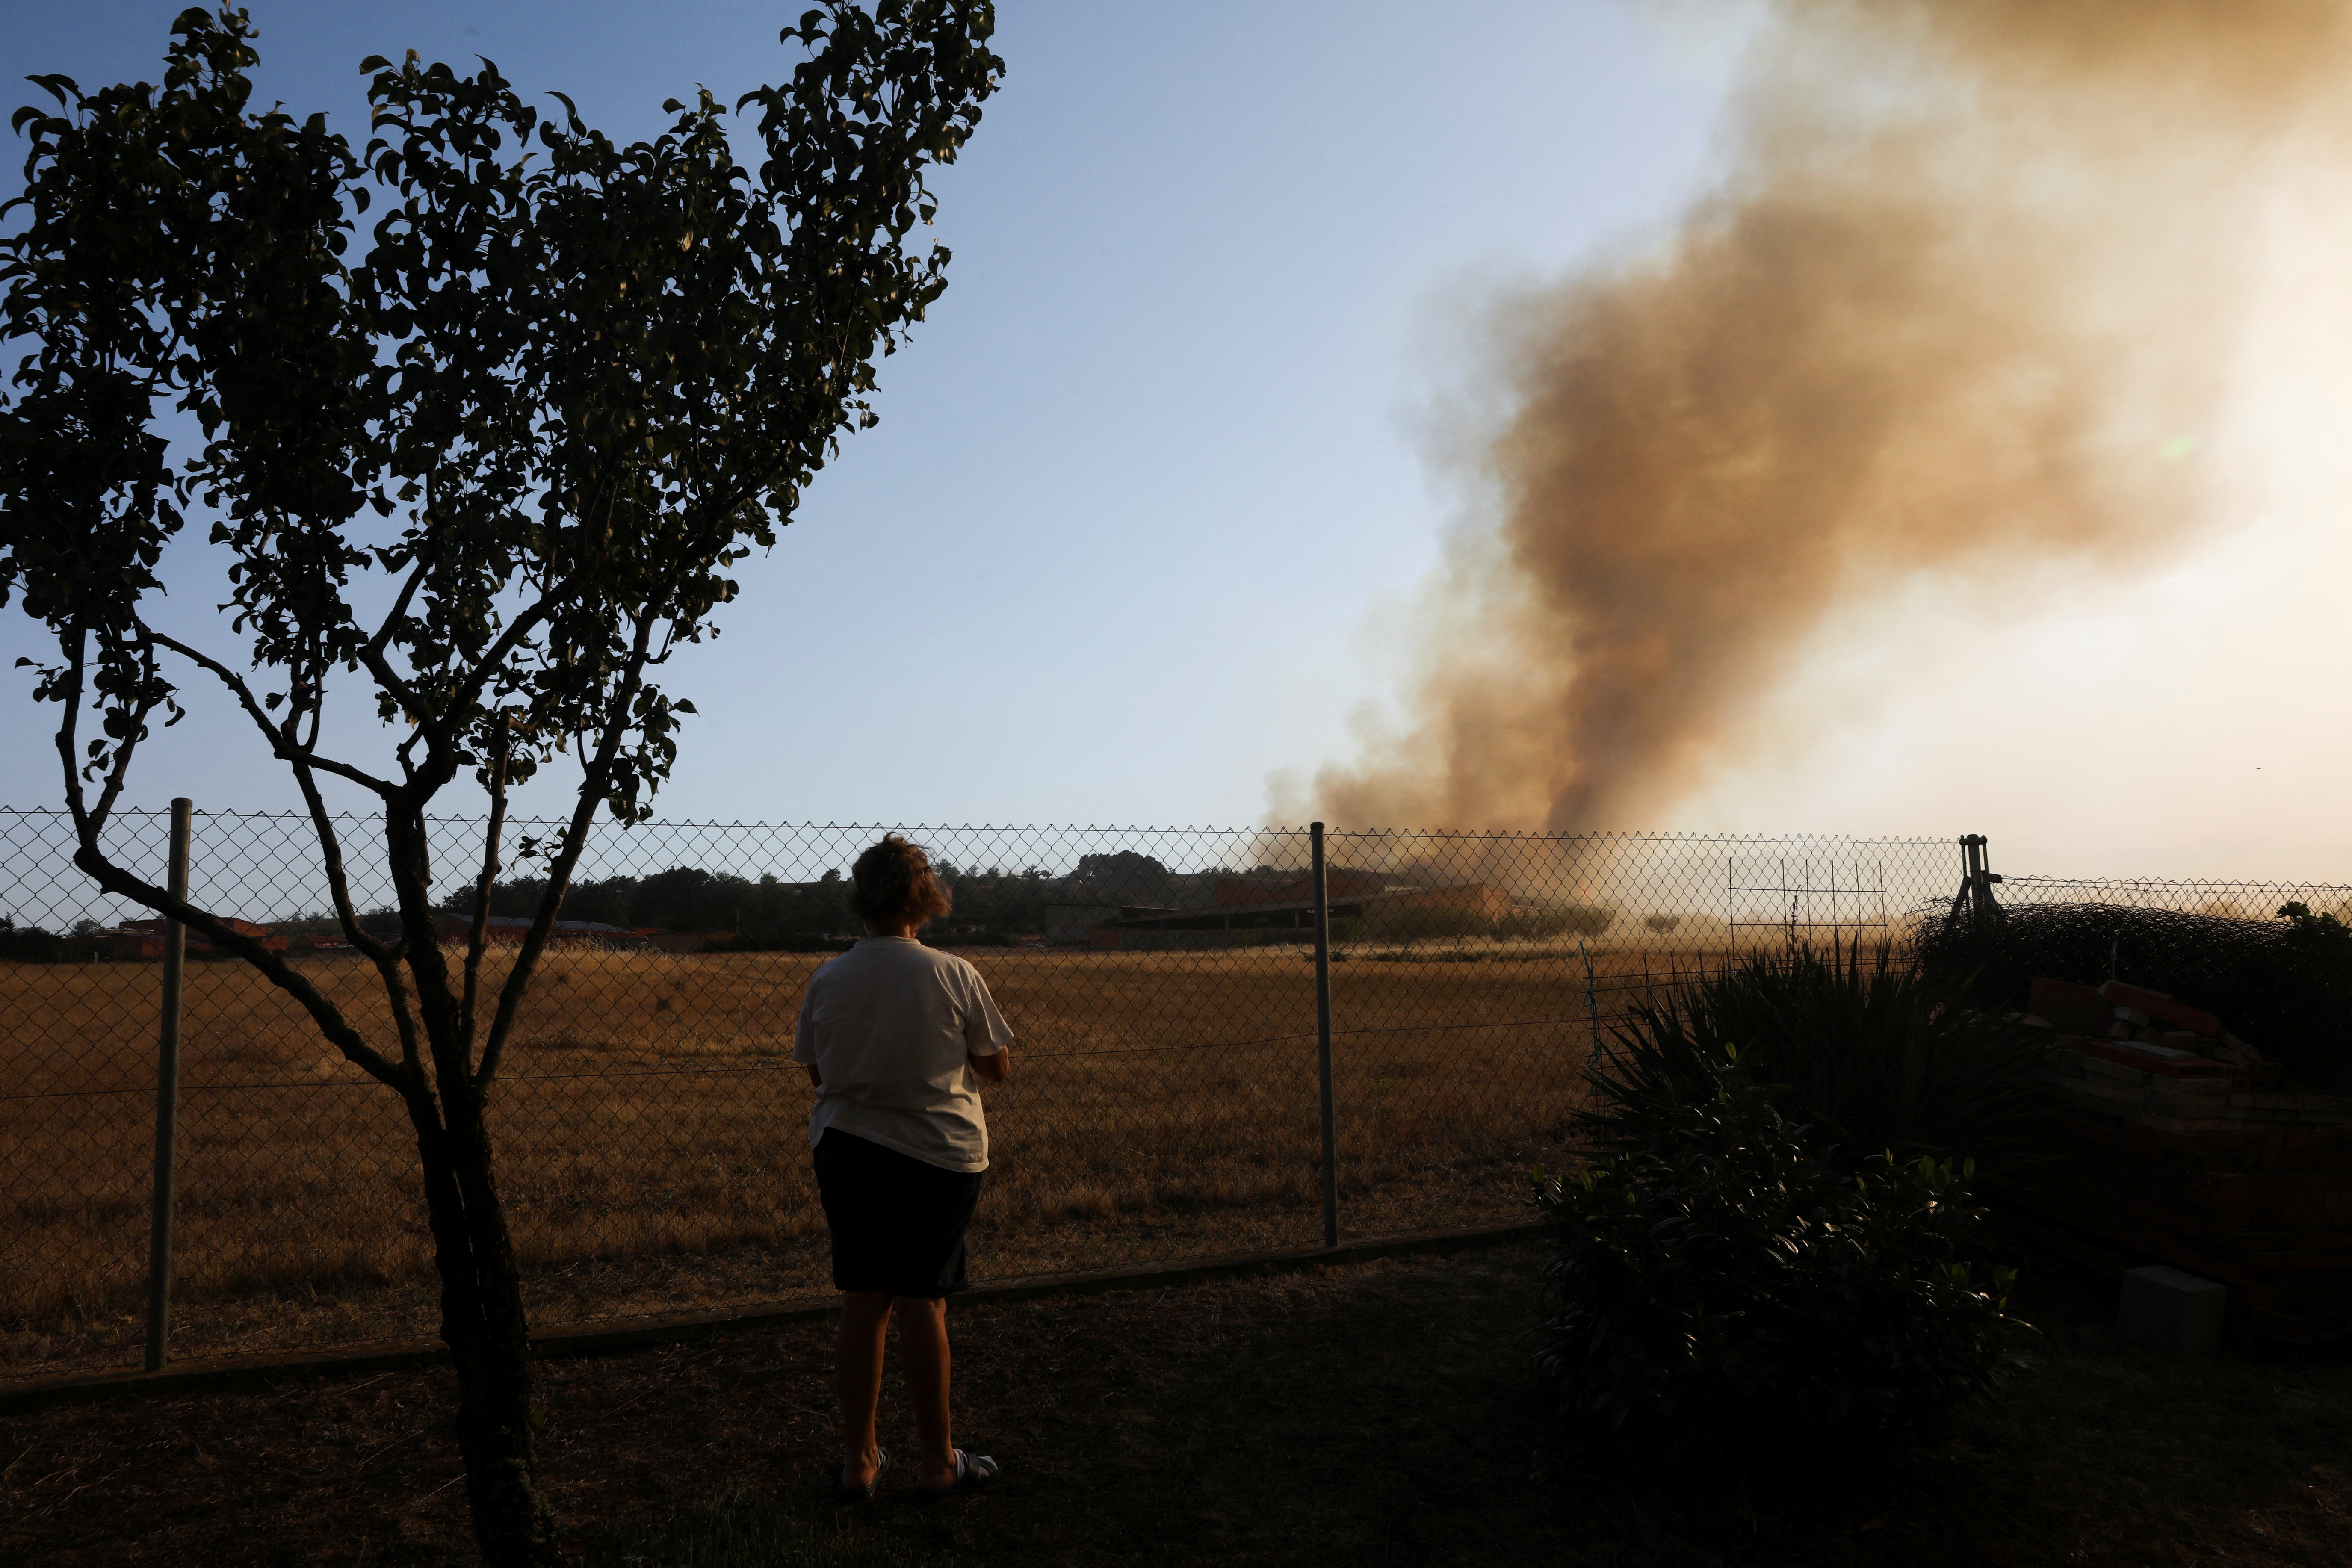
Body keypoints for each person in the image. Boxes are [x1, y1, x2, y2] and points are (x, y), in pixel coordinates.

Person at [793, 834, 1013, 1503]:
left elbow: (816, 1072)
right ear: (926, 899)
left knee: (864, 1304)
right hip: (940, 1158)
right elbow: (996, 1067)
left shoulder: (829, 978)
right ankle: (936, 1463)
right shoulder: (954, 973)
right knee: (925, 1301)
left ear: (859, 901)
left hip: (850, 1149)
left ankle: (860, 1464)